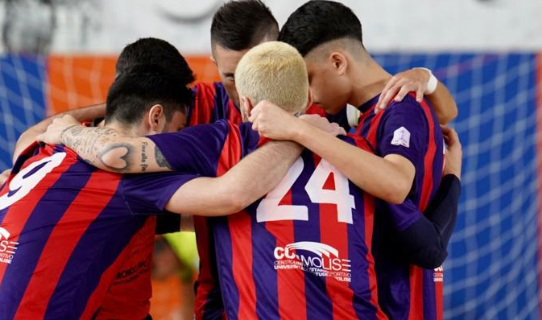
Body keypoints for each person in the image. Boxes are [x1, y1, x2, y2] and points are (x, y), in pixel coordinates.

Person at [38, 42, 463, 319]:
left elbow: (117, 154)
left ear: (242, 102)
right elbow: (426, 247)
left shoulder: (222, 141)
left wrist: (66, 132)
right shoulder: (358, 153)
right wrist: (453, 172)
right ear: (307, 96)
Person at [0, 66, 308, 319]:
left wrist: (110, 105)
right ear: (155, 117)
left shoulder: (40, 149)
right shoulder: (120, 177)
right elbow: (231, 195)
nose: (178, 141)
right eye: (179, 131)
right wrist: (297, 134)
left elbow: (34, 132)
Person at [263, 0, 451, 320]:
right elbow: (447, 111)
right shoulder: (365, 113)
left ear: (338, 62)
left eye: (309, 79)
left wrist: (300, 131)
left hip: (401, 303)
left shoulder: (402, 107)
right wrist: (427, 78)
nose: (308, 96)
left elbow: (396, 183)